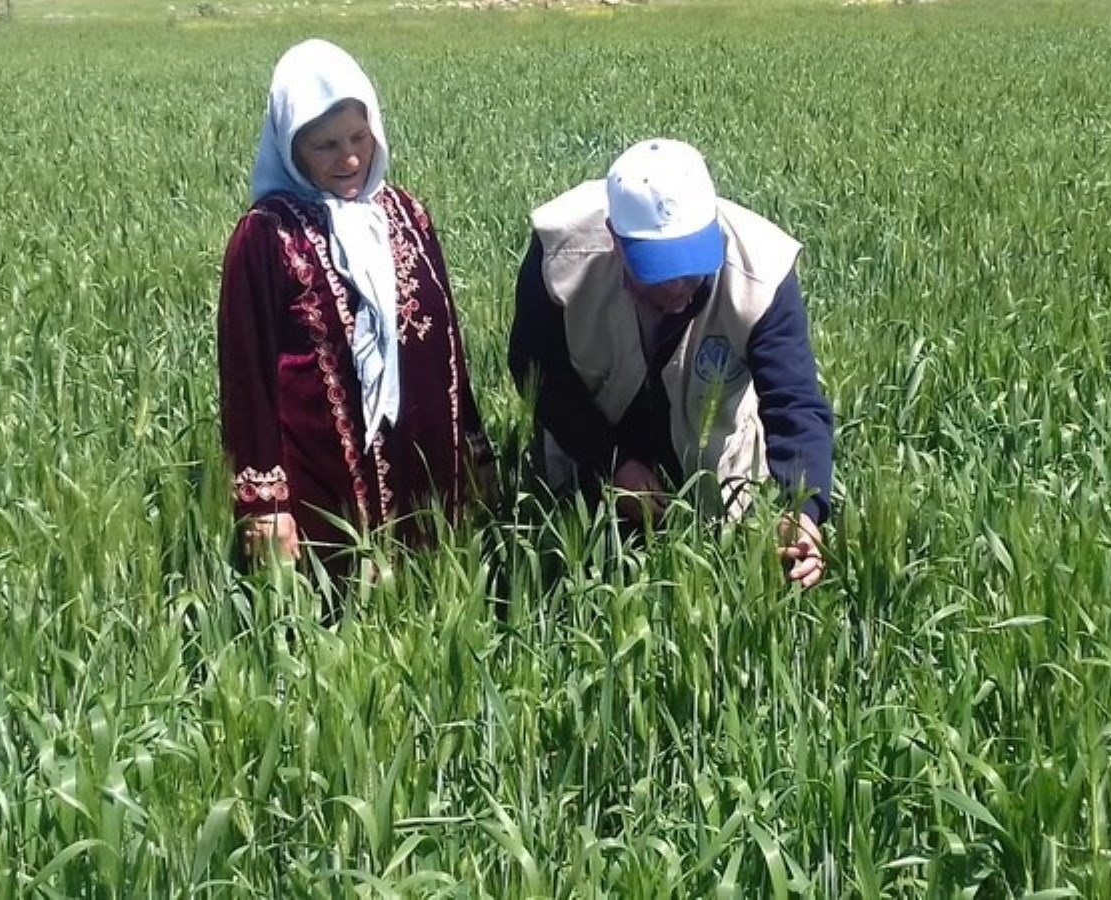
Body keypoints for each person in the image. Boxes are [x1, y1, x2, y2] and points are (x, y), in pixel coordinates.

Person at [219, 39, 493, 579]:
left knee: (431, 589)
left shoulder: (406, 212)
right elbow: (245, 374)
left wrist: (475, 448)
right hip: (323, 473)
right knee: (340, 610)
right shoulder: (266, 234)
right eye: (325, 145)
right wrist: (264, 502)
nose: (348, 158)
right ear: (290, 146)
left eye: (359, 138)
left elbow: (450, 345)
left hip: (425, 458)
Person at [508, 138, 834, 589]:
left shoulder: (762, 270)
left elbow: (794, 402)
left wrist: (804, 509)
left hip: (711, 449)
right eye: (659, 270)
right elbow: (535, 368)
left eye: (693, 263)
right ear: (616, 241)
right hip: (591, 435)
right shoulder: (560, 253)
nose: (679, 289)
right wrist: (612, 463)